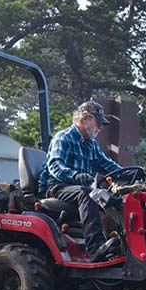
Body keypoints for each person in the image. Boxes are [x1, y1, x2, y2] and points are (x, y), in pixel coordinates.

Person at [38, 100, 123, 261]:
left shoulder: (92, 145)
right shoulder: (63, 138)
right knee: (88, 193)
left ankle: (121, 244)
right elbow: (55, 166)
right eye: (98, 122)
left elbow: (108, 165)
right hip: (56, 186)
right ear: (85, 119)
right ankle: (96, 247)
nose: (101, 127)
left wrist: (128, 173)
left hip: (77, 190)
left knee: (112, 198)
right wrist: (74, 175)